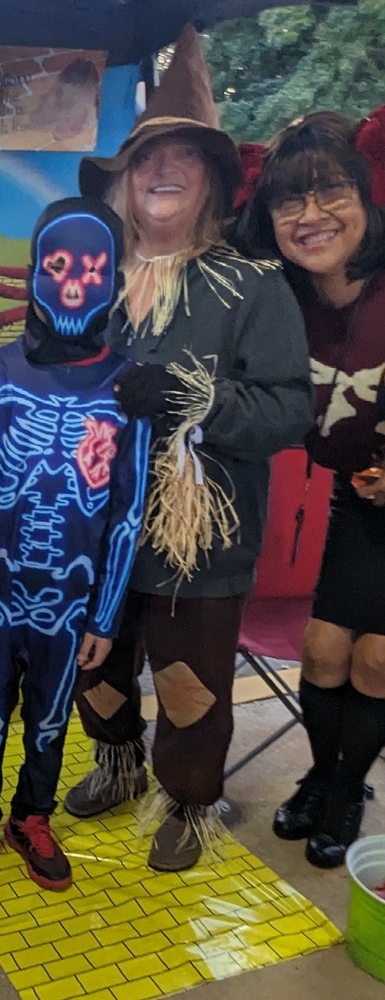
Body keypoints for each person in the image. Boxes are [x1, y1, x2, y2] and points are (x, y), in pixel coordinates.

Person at [64, 25, 315, 871]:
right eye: (146, 157)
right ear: (125, 180)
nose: (163, 169)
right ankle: (116, 764)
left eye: (184, 156)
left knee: (189, 682)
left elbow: (289, 410)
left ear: (210, 178)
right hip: (98, 528)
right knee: (96, 667)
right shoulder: (93, 284)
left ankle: (189, 799)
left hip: (198, 541)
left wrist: (195, 400)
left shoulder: (253, 287)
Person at [0, 197, 151, 900]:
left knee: (51, 721)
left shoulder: (128, 387)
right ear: (33, 272)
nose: (74, 285)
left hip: (70, 600)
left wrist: (105, 618)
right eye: (58, 265)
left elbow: (128, 513)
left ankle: (32, 816)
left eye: (93, 270)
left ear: (114, 281)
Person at [237, 111, 385, 868]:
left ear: (366, 197)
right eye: (289, 199)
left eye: (331, 192)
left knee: (377, 661)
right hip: (358, 500)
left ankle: (347, 792)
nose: (311, 214)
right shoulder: (279, 297)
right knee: (324, 653)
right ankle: (322, 776)